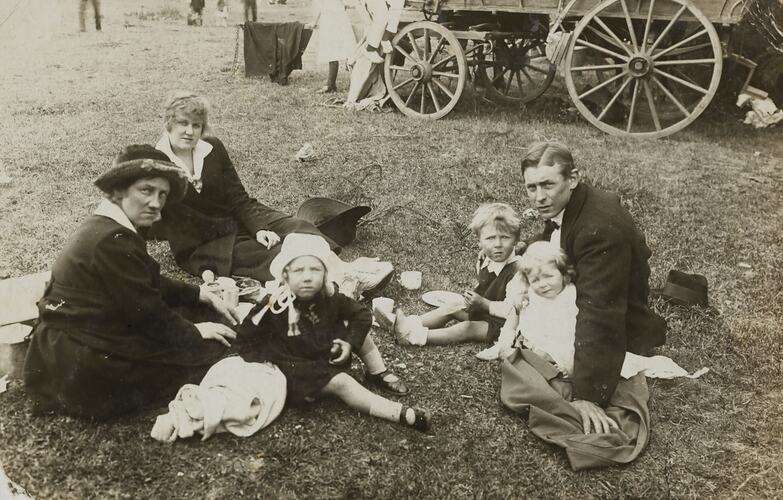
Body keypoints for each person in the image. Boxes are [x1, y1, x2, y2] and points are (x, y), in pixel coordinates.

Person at [23, 145, 252, 420]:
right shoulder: (112, 240)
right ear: (119, 190)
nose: (155, 203)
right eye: (146, 190)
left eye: (162, 194)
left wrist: (200, 294)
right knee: (210, 350)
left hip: (68, 344)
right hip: (83, 359)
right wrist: (195, 332)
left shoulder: (107, 226)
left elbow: (147, 279)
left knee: (201, 316)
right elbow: (149, 314)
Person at [150, 92, 393, 298]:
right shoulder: (155, 162)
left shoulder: (212, 148)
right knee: (269, 252)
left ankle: (347, 272)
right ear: (168, 123)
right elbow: (146, 215)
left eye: (196, 125)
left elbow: (237, 196)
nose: (190, 131)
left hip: (236, 218)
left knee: (296, 227)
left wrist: (257, 227)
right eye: (183, 123)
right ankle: (342, 283)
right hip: (203, 241)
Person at [516, 140, 666, 434]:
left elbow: (600, 311)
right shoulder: (574, 204)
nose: (539, 197)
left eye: (547, 185)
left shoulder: (599, 230)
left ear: (573, 179)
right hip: (585, 295)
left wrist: (587, 394)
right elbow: (554, 236)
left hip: (619, 327)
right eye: (531, 188)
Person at [242, 234, 431, 431]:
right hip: (300, 369)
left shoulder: (331, 297)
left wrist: (349, 342)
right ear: (285, 276)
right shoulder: (275, 305)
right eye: (299, 271)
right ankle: (398, 413)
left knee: (357, 328)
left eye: (314, 271)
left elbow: (361, 315)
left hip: (326, 351)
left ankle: (377, 371)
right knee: (343, 383)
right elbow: (246, 334)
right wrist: (266, 364)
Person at [375, 203, 521, 347]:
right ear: (480, 242)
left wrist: (484, 303)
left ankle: (412, 336)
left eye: (504, 237)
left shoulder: (517, 271)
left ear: (515, 240)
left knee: (467, 328)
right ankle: (407, 324)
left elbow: (512, 311)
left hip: (505, 325)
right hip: (484, 313)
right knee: (451, 306)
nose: (497, 244)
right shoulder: (486, 258)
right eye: (490, 238)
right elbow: (486, 283)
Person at [311, 0, 356, 93]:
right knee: (332, 51)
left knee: (347, 50)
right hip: (330, 17)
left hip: (338, 17)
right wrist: (315, 21)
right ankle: (331, 84)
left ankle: (355, 83)